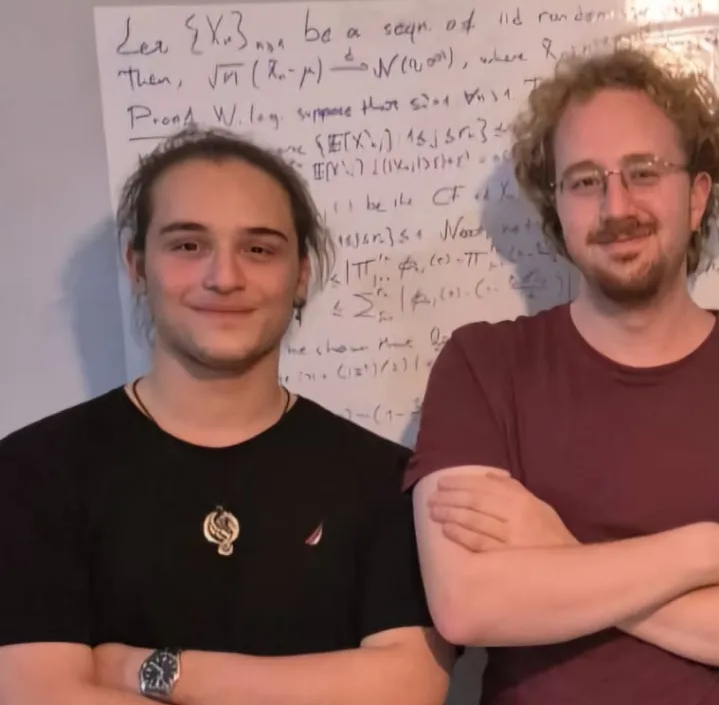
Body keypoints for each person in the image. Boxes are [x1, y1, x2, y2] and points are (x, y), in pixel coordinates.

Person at [403, 46, 719, 705]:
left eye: (644, 172)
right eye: (585, 181)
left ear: (697, 197)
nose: (616, 206)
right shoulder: (482, 366)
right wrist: (710, 553)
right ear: (557, 207)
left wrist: (558, 552)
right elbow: (468, 605)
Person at [0, 127, 454, 705]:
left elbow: (408, 688)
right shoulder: (33, 471)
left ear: (301, 274)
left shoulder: (386, 479)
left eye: (259, 249)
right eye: (188, 245)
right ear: (137, 267)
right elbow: (36, 693)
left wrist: (151, 670)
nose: (224, 277)